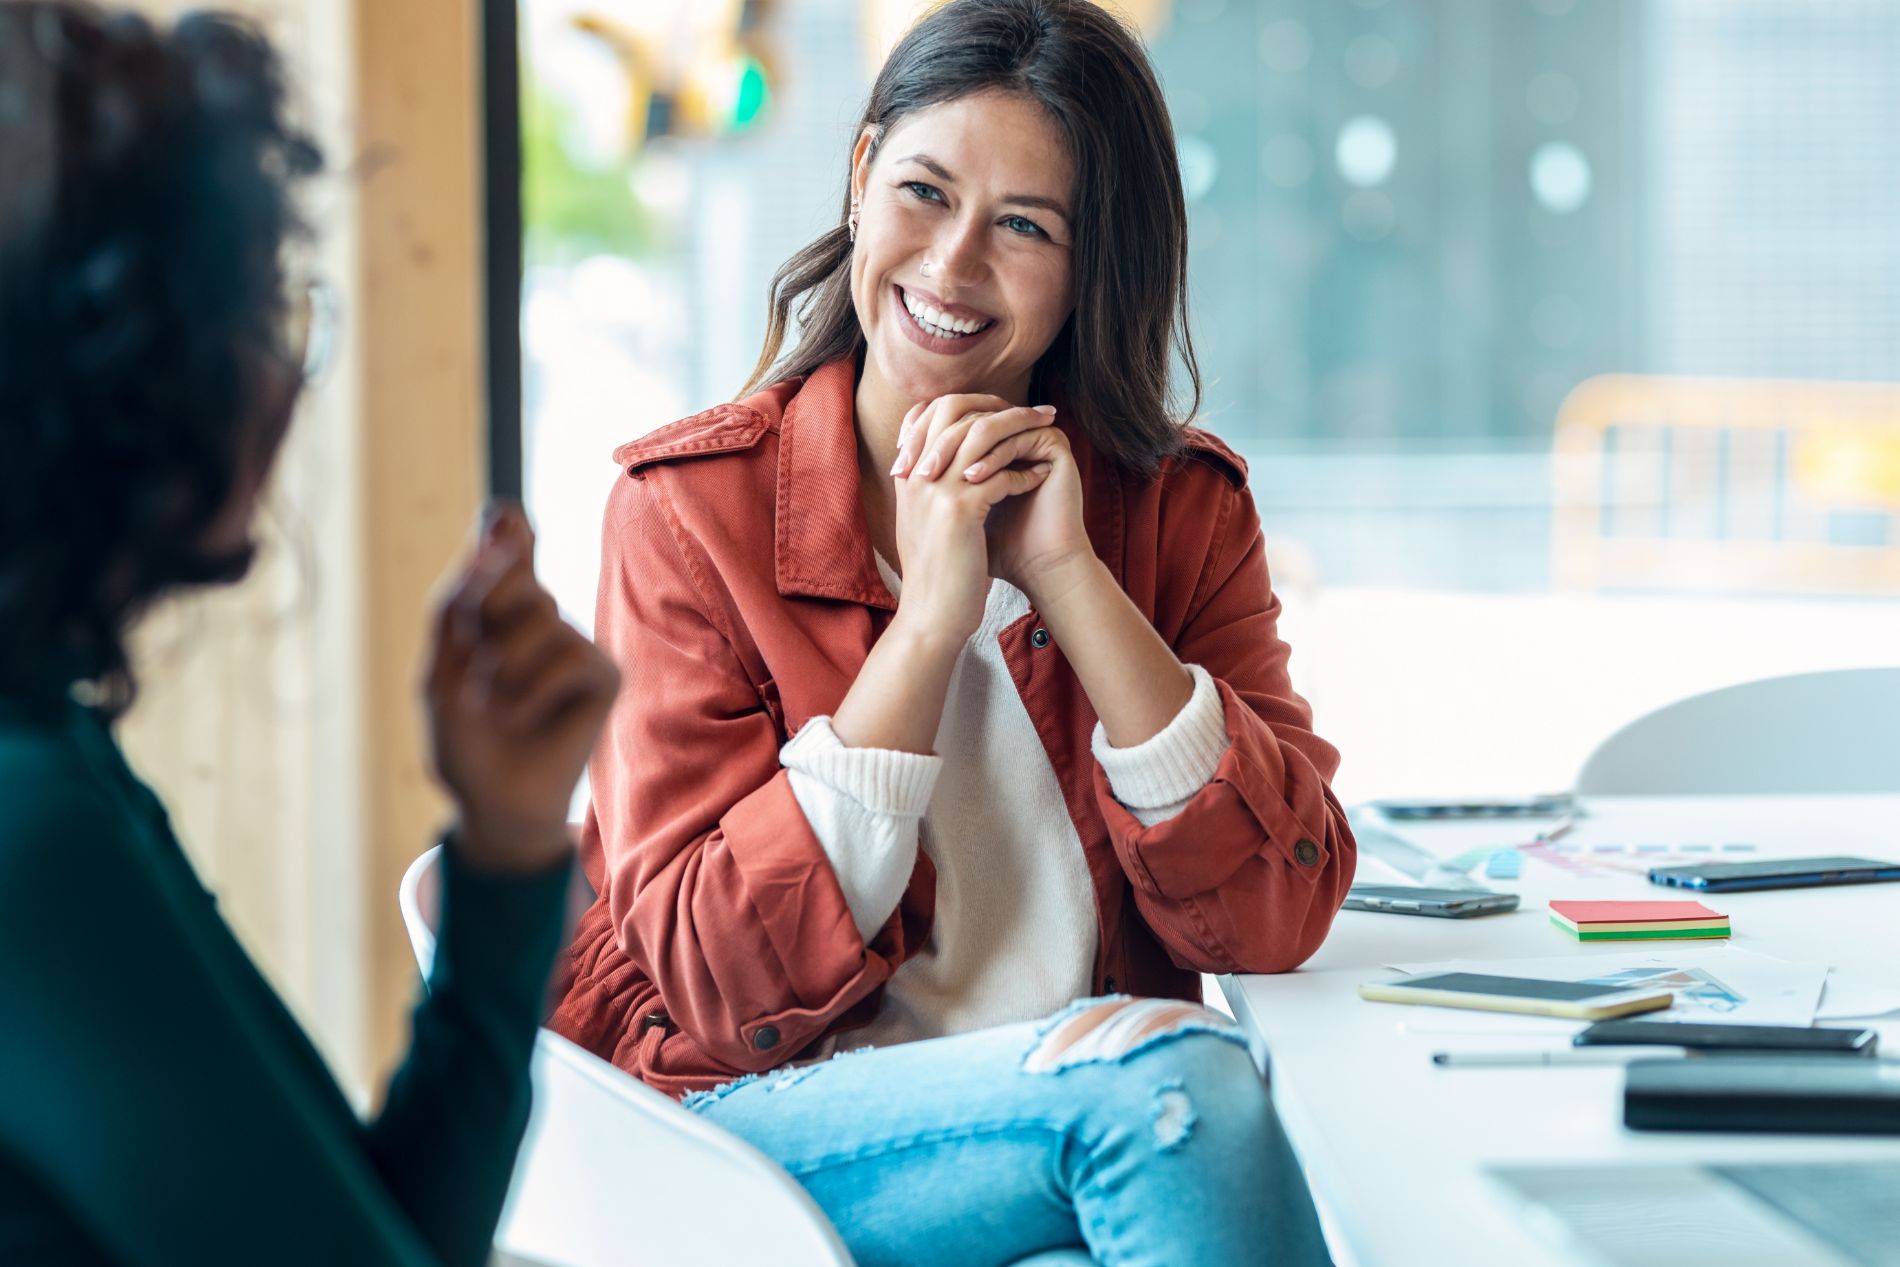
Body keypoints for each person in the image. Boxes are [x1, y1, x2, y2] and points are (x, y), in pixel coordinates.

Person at [549, 0, 1352, 1261]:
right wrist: (927, 627)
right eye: (923, 192)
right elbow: (719, 979)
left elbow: (1272, 916)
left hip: (1063, 1127)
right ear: (861, 175)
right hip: (754, 1127)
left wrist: (1068, 577)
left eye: (1025, 226)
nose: (952, 264)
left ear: (1095, 265)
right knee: (1176, 1093)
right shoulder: (689, 512)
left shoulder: (1180, 512)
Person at [0, 5, 619, 1265]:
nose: (291, 378)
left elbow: (381, 1229)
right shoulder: (33, 827)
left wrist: (507, 850)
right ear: (132, 375)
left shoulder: (54, 742)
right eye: (270, 315)